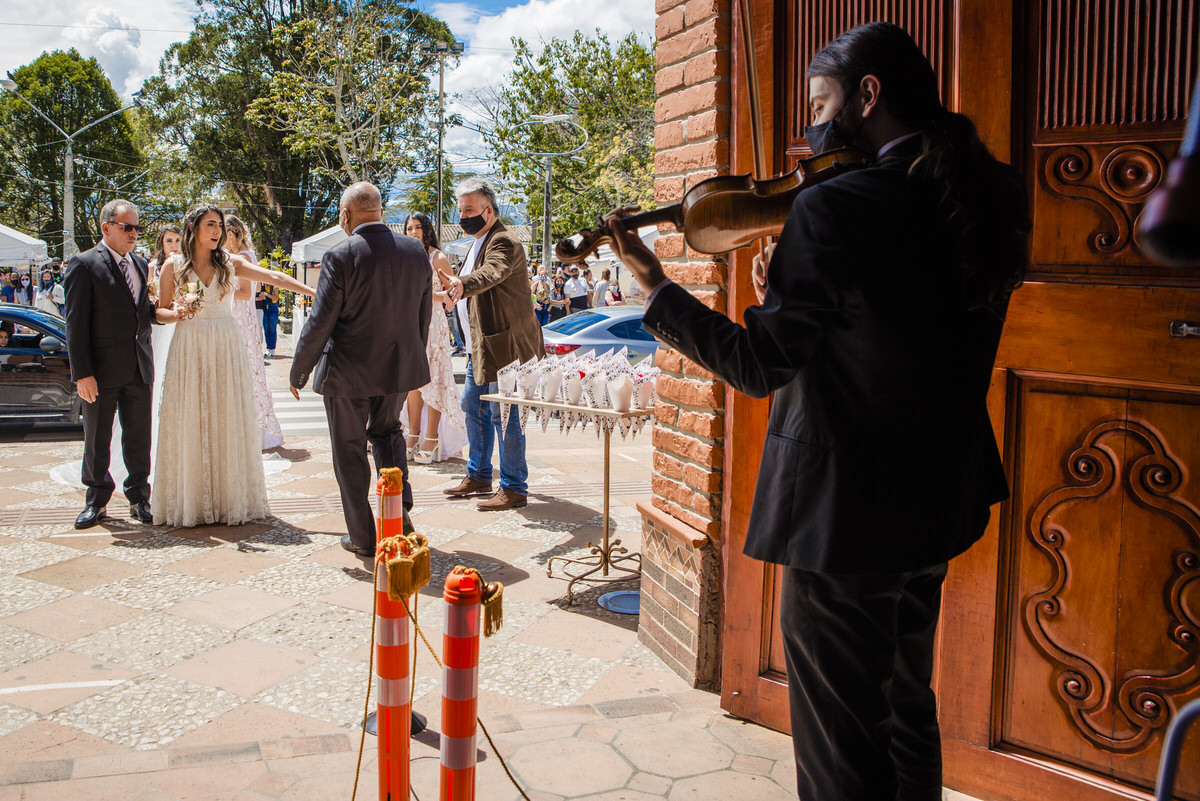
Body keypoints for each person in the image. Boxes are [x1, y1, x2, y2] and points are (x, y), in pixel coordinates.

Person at [604, 22, 1029, 801]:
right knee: (906, 710)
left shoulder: (839, 206)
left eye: (821, 103)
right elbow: (893, 333)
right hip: (939, 497)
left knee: (841, 747)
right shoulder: (988, 193)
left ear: (867, 97)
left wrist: (656, 290)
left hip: (845, 519)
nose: (810, 129)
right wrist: (790, 283)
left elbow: (761, 366)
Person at [290, 182, 432, 556]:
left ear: (345, 215)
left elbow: (321, 321)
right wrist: (412, 356)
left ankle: (363, 536)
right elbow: (422, 315)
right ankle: (398, 519)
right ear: (381, 211)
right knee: (388, 437)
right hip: (398, 367)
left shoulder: (341, 254)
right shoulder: (416, 250)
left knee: (349, 450)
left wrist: (300, 369)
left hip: (348, 373)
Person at [154, 203, 315, 527]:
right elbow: (160, 311)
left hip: (226, 346)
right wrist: (178, 313)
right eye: (211, 225)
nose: (217, 232)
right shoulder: (173, 266)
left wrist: (315, 291)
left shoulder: (230, 262)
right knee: (191, 417)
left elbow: (273, 276)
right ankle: (193, 501)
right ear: (193, 228)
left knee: (225, 417)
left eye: (220, 226)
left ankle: (228, 498)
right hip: (189, 346)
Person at [442, 178, 544, 511]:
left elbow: (491, 273)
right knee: (475, 407)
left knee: (507, 416)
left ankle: (514, 486)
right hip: (481, 347)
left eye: (468, 209)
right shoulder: (477, 241)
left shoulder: (504, 241)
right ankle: (480, 474)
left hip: (506, 349)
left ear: (489, 210)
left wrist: (461, 282)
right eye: (460, 209)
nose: (462, 215)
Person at [62, 199, 159, 529]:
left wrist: (167, 314)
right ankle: (97, 499)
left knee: (138, 438)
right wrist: (82, 374)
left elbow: (141, 313)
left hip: (138, 367)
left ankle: (139, 497)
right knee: (97, 437)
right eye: (126, 227)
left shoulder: (142, 265)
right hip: (100, 372)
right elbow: (75, 324)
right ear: (106, 228)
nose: (133, 234)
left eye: (136, 228)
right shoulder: (84, 264)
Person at [401, 212, 468, 464]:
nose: (413, 232)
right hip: (410, 323)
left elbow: (452, 296)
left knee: (434, 379)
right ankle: (412, 434)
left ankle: (432, 438)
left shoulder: (437, 257)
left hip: (433, 324)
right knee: (412, 383)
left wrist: (430, 295)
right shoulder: (405, 256)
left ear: (427, 230)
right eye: (409, 228)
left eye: (418, 227)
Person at [225, 214, 283, 450]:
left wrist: (215, 290)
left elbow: (246, 292)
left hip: (241, 319)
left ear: (231, 234)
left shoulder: (243, 257)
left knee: (247, 372)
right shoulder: (240, 256)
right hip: (237, 317)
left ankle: (255, 430)